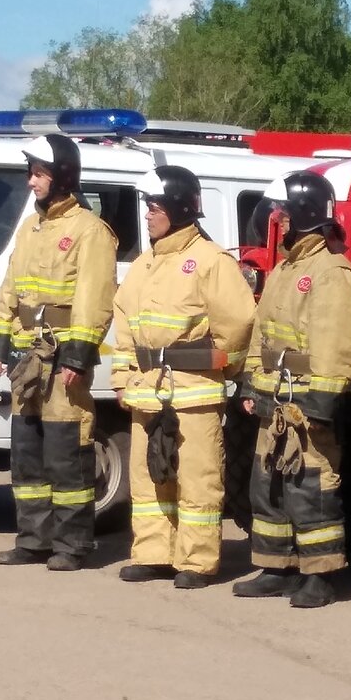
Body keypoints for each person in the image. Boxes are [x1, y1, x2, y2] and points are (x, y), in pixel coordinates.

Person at [112, 165, 255, 589]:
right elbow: (124, 326)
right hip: (146, 392)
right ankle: (154, 553)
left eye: (154, 206)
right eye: (147, 206)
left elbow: (240, 321)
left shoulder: (211, 261)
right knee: (149, 476)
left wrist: (220, 366)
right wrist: (122, 379)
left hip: (193, 392)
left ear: (178, 207)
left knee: (198, 481)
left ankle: (196, 560)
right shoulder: (144, 264)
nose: (148, 214)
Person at [0, 134, 117, 572]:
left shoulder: (90, 231)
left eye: (38, 173)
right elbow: (10, 290)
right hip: (27, 362)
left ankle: (72, 545)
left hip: (62, 364)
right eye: (30, 173)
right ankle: (33, 540)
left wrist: (77, 357)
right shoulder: (31, 228)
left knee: (66, 453)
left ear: (62, 177)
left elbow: (94, 298)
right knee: (27, 453)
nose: (30, 182)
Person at [233, 171, 351, 608]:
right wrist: (252, 382)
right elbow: (260, 331)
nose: (279, 218)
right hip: (274, 398)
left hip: (305, 401)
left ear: (306, 213)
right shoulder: (288, 265)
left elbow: (337, 341)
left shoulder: (331, 269)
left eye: (284, 211)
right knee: (267, 485)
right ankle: (276, 567)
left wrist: (321, 402)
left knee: (312, 487)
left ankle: (320, 574)